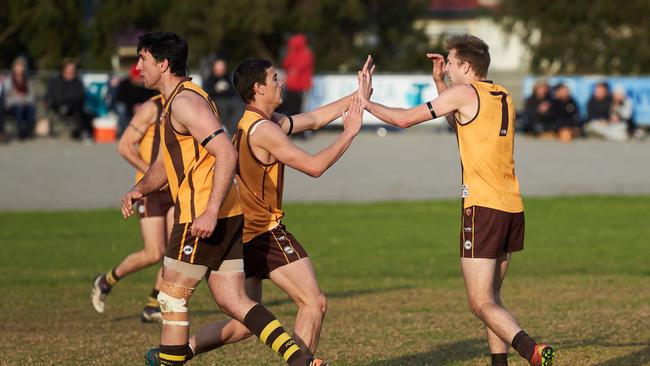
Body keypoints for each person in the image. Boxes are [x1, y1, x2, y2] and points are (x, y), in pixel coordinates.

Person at [119, 32, 325, 366]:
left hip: (202, 214)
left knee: (171, 299)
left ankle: (170, 361)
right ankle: (298, 359)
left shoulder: (186, 102)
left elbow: (225, 153)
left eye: (142, 59)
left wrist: (210, 211)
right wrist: (140, 188)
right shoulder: (175, 101)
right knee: (234, 301)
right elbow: (165, 162)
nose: (138, 67)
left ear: (163, 63)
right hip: (223, 213)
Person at [146, 57, 367, 365]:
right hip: (264, 231)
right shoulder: (265, 130)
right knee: (313, 302)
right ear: (259, 88)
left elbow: (315, 119)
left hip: (241, 231)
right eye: (275, 78)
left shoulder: (255, 122)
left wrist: (360, 96)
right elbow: (314, 167)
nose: (282, 82)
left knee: (244, 323)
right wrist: (349, 133)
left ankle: (179, 353)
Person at [356, 35, 555, 366]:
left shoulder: (464, 93)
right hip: (511, 207)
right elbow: (459, 121)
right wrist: (439, 82)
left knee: (479, 303)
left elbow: (404, 119)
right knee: (493, 300)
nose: (445, 66)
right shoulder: (500, 93)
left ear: (466, 65)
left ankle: (532, 351)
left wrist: (365, 102)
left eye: (449, 61)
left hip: (482, 208)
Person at [90, 93, 174, 322]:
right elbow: (125, 146)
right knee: (154, 253)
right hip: (150, 192)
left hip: (177, 190)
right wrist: (153, 175)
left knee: (174, 252)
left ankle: (152, 306)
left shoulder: (188, 103)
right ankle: (105, 281)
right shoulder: (152, 107)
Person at [44, 59, 91, 140]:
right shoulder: (57, 81)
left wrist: (71, 101)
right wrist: (65, 103)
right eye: (69, 68)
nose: (71, 71)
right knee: (76, 111)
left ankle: (81, 132)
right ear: (64, 69)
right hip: (59, 106)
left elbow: (81, 96)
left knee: (84, 112)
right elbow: (56, 97)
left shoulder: (77, 82)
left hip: (74, 106)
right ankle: (80, 132)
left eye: (73, 69)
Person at [281, 34, 314, 138]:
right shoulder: (292, 53)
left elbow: (299, 66)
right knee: (292, 110)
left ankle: (303, 132)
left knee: (301, 110)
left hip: (302, 87)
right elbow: (286, 64)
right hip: (291, 86)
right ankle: (294, 131)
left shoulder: (306, 53)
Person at [114, 63, 158, 136]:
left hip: (143, 106)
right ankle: (125, 132)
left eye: (139, 77)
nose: (138, 79)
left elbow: (150, 97)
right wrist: (132, 106)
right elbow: (121, 98)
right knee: (121, 108)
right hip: (128, 107)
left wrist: (142, 105)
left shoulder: (146, 85)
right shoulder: (124, 84)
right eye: (136, 77)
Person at [203, 58, 241, 136]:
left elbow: (234, 91)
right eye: (218, 67)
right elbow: (207, 92)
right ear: (214, 68)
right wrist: (216, 89)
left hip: (230, 101)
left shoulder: (228, 78)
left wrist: (226, 89)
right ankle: (225, 129)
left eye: (222, 67)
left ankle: (233, 129)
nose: (221, 70)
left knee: (239, 104)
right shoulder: (210, 79)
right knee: (222, 106)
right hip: (217, 101)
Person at [4, 57, 37, 140]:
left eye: (21, 66)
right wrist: (19, 98)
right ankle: (20, 132)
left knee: (31, 108)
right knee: (19, 108)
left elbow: (31, 95)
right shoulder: (9, 80)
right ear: (14, 68)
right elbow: (8, 95)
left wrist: (24, 100)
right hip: (13, 104)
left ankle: (29, 131)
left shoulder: (28, 81)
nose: (19, 69)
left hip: (26, 103)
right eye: (17, 66)